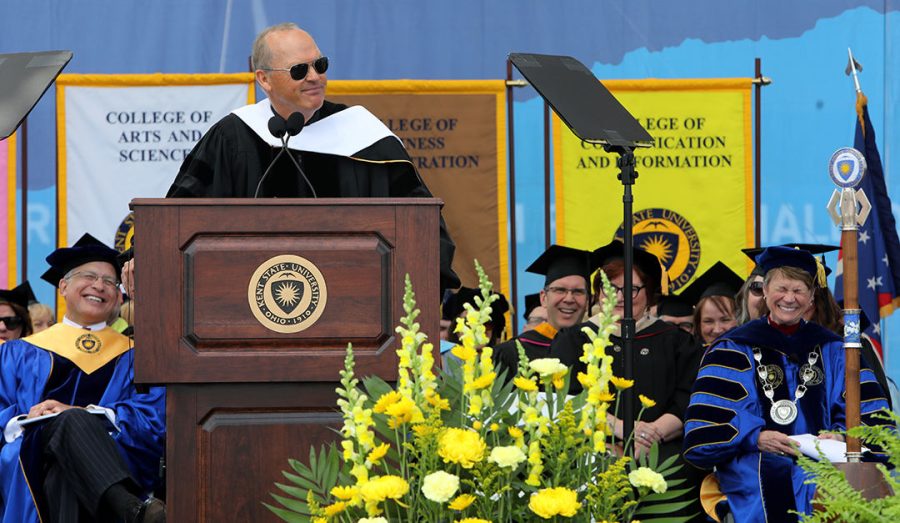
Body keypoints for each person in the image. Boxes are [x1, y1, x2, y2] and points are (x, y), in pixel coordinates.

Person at [161, 22, 459, 295]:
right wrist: (144, 254)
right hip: (248, 304)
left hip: (356, 303)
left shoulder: (362, 134)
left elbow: (421, 223)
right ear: (264, 79)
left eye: (320, 65)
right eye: (299, 70)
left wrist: (429, 279)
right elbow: (180, 213)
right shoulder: (233, 137)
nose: (315, 77)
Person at [682, 246, 891, 523]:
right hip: (756, 457)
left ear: (811, 297)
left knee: (862, 482)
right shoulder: (731, 349)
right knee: (778, 480)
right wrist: (754, 436)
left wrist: (842, 437)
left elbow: (874, 420)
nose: (789, 298)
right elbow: (707, 427)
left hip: (826, 459)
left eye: (799, 291)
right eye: (781, 289)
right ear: (765, 291)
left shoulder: (837, 350)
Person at [0, 234, 166, 523]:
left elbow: (155, 418)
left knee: (70, 438)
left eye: (110, 282)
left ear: (119, 294)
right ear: (63, 286)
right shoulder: (17, 353)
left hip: (114, 456)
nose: (99, 286)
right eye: (88, 276)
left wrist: (87, 416)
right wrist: (32, 420)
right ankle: (132, 511)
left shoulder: (137, 356)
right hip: (31, 461)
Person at [551, 240, 704, 521]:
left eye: (631, 289)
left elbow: (689, 397)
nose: (620, 297)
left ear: (649, 293)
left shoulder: (676, 341)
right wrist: (627, 431)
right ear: (598, 293)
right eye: (611, 289)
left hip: (665, 453)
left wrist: (651, 434)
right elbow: (569, 399)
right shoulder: (574, 340)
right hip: (598, 450)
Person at [492, 245, 592, 380]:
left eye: (578, 292)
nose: (569, 299)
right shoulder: (511, 353)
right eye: (560, 290)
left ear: (587, 301)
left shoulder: (598, 350)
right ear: (544, 298)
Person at [679, 261, 743, 346]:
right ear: (698, 325)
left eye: (725, 320)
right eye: (708, 321)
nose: (717, 330)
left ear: (741, 320)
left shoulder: (753, 356)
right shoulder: (689, 357)